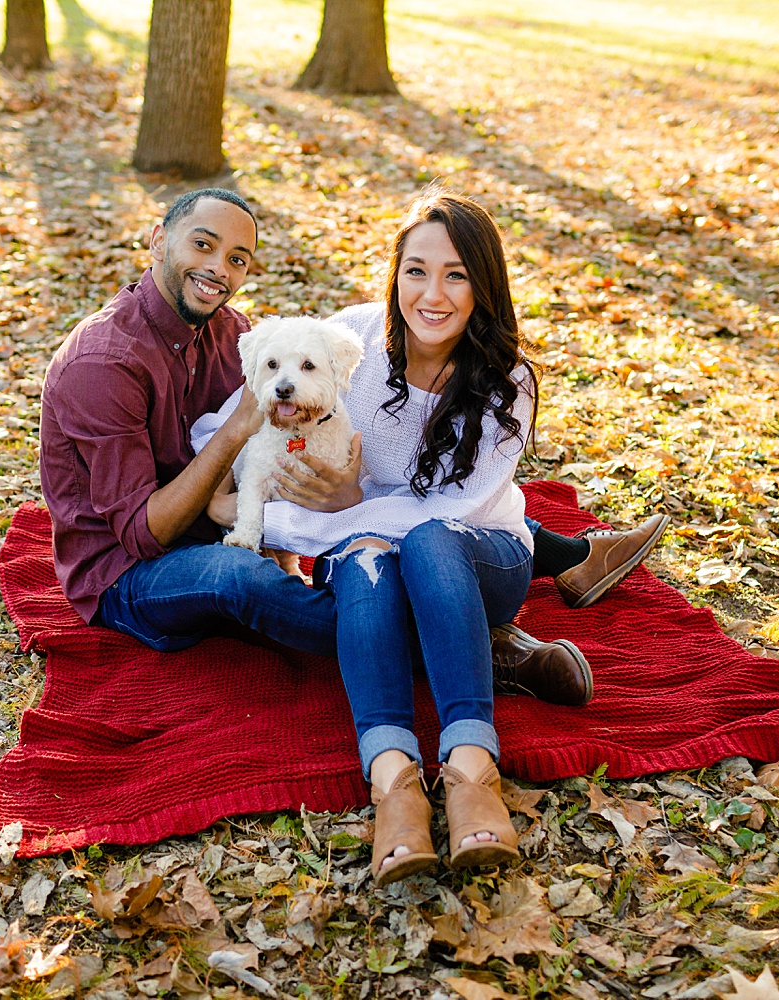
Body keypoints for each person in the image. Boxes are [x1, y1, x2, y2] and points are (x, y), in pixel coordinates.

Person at [197, 191, 666, 885]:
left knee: (421, 541)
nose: (433, 294)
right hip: (377, 546)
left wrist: (336, 510)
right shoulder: (350, 342)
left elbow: (456, 509)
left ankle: (473, 766)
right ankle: (393, 780)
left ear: (483, 284)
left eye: (456, 275)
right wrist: (227, 494)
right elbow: (254, 401)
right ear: (395, 276)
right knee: (364, 561)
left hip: (483, 556)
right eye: (416, 271)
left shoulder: (508, 382)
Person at [37, 188, 606, 698]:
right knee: (245, 577)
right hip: (129, 572)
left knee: (423, 511)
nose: (218, 268)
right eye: (202, 245)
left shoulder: (232, 332)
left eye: (237, 259)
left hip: (228, 515)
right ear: (158, 239)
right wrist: (239, 439)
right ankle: (480, 650)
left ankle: (566, 559)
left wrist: (324, 493)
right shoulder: (102, 363)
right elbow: (143, 535)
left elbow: (303, 417)